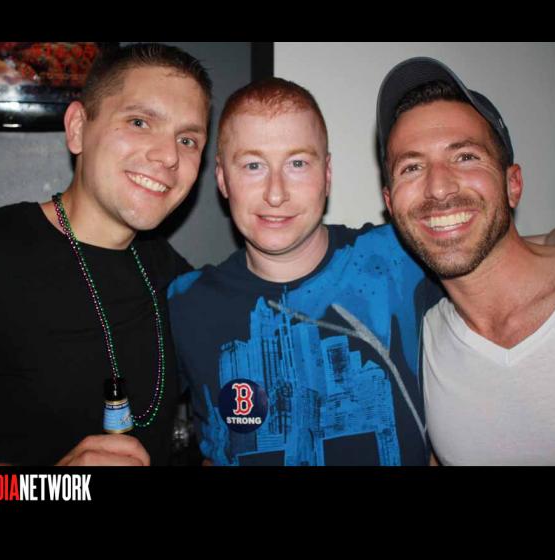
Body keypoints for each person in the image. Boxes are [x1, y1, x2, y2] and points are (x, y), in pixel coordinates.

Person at [0, 43, 211, 466]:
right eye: (139, 122)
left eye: (187, 139)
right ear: (78, 128)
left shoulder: (173, 276)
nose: (169, 156)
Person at [167, 77, 443, 466]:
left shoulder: (400, 258)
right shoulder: (186, 304)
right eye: (253, 165)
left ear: (327, 174)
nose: (275, 193)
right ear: (222, 179)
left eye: (297, 163)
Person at [378, 57, 555, 465]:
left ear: (513, 184)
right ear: (390, 204)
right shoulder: (422, 343)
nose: (439, 188)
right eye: (412, 167)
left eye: (464, 157)